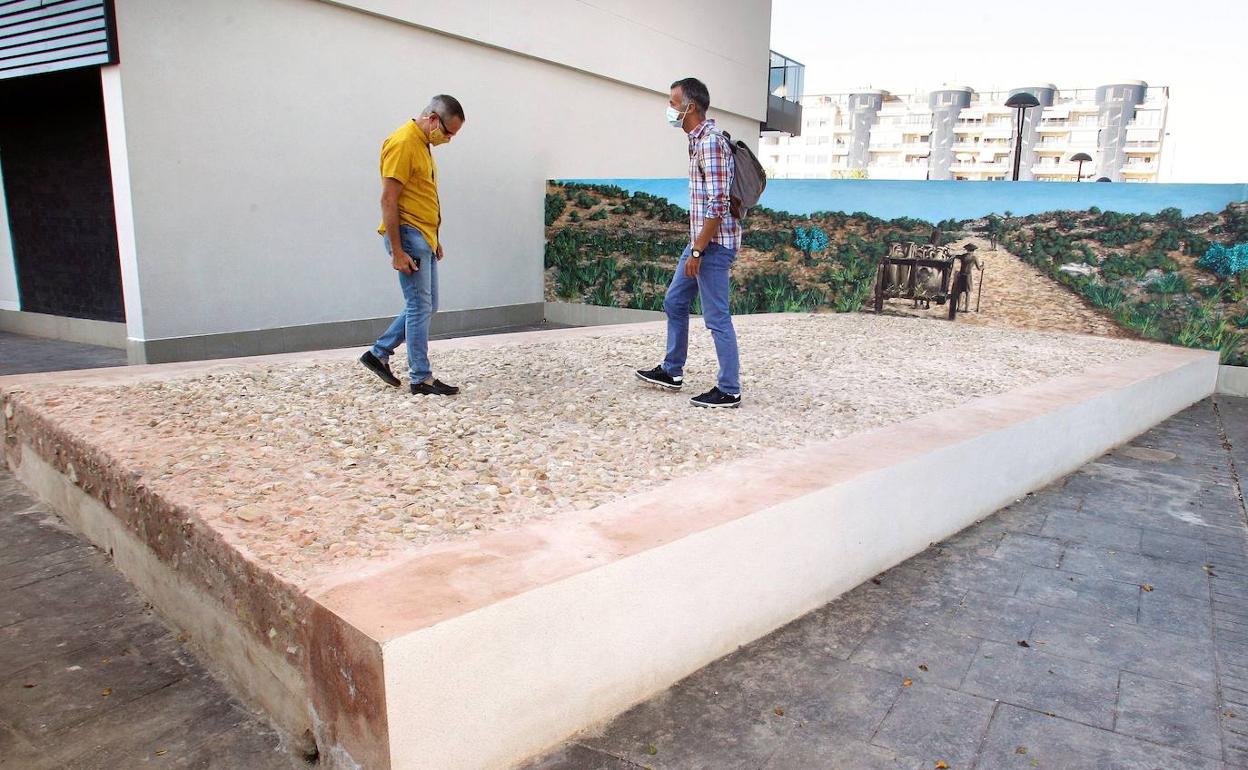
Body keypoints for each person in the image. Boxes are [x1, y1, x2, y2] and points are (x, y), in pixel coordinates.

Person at [635, 77, 743, 408]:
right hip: (698, 241)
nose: (670, 109)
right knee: (675, 301)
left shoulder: (710, 143)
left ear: (690, 106)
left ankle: (729, 388)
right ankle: (671, 370)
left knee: (716, 317)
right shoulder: (696, 142)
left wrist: (698, 250)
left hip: (712, 245)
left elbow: (718, 203)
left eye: (673, 102)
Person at [358, 95, 465, 396]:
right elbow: (389, 199)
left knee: (427, 306)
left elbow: (419, 197)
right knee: (420, 306)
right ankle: (421, 378)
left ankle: (378, 353)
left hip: (423, 237)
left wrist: (435, 239)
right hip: (408, 236)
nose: (448, 139)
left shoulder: (422, 145)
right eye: (447, 132)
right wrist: (397, 251)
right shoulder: (403, 143)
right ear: (433, 119)